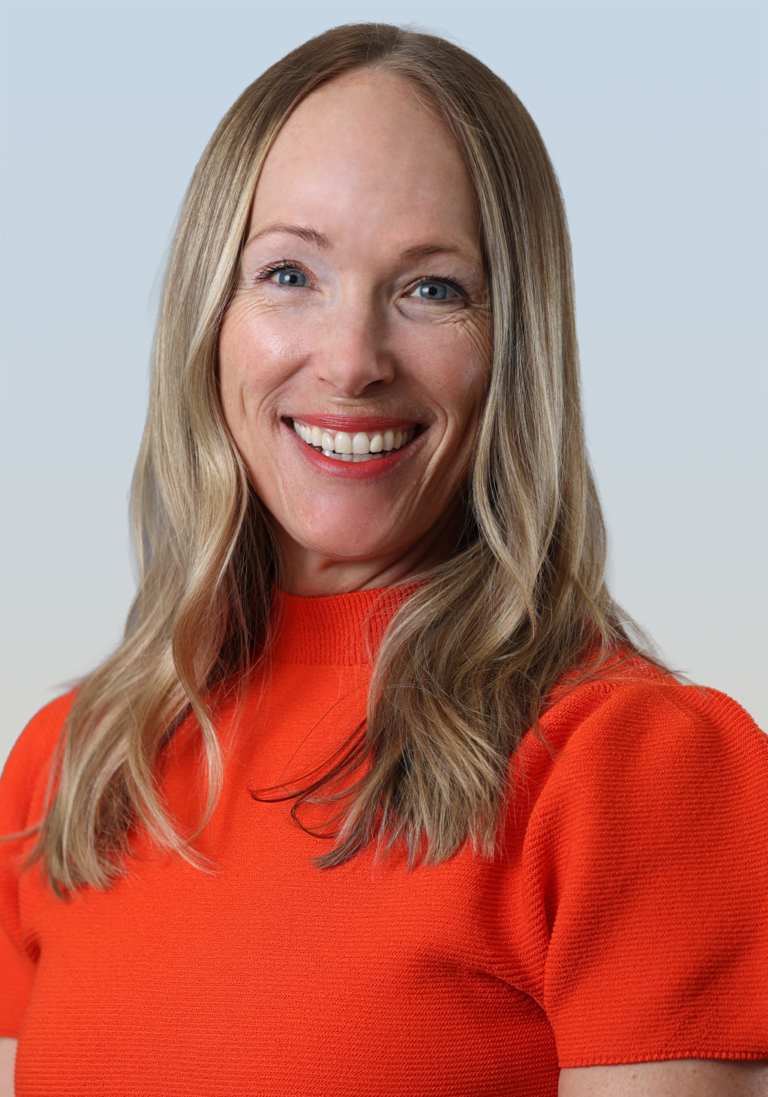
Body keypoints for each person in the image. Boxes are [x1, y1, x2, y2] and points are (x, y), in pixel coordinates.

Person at [1, 22, 766, 1097]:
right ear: (210, 317)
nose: (352, 359)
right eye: (289, 273)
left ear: (516, 345)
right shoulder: (73, 766)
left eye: (433, 288)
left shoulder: (637, 767)